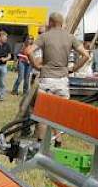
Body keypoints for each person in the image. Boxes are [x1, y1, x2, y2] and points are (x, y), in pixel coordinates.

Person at [31, 12, 91, 142]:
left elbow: (29, 51)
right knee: (58, 114)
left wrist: (36, 65)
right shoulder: (70, 37)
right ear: (62, 23)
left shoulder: (45, 36)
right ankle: (58, 140)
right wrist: (74, 69)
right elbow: (86, 55)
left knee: (43, 114)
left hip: (47, 78)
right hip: (63, 79)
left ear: (51, 22)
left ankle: (40, 142)